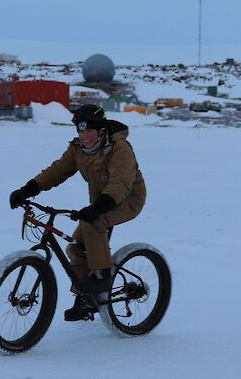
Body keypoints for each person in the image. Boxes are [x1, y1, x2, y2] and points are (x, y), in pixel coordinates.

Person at [9, 104, 146, 321]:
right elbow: (57, 171)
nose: (84, 136)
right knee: (75, 249)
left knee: (94, 224)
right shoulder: (77, 149)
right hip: (99, 202)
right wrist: (28, 189)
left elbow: (120, 183)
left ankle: (102, 277)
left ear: (100, 130)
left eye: (89, 130)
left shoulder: (120, 148)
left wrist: (98, 208)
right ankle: (86, 298)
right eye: (80, 131)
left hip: (127, 199)